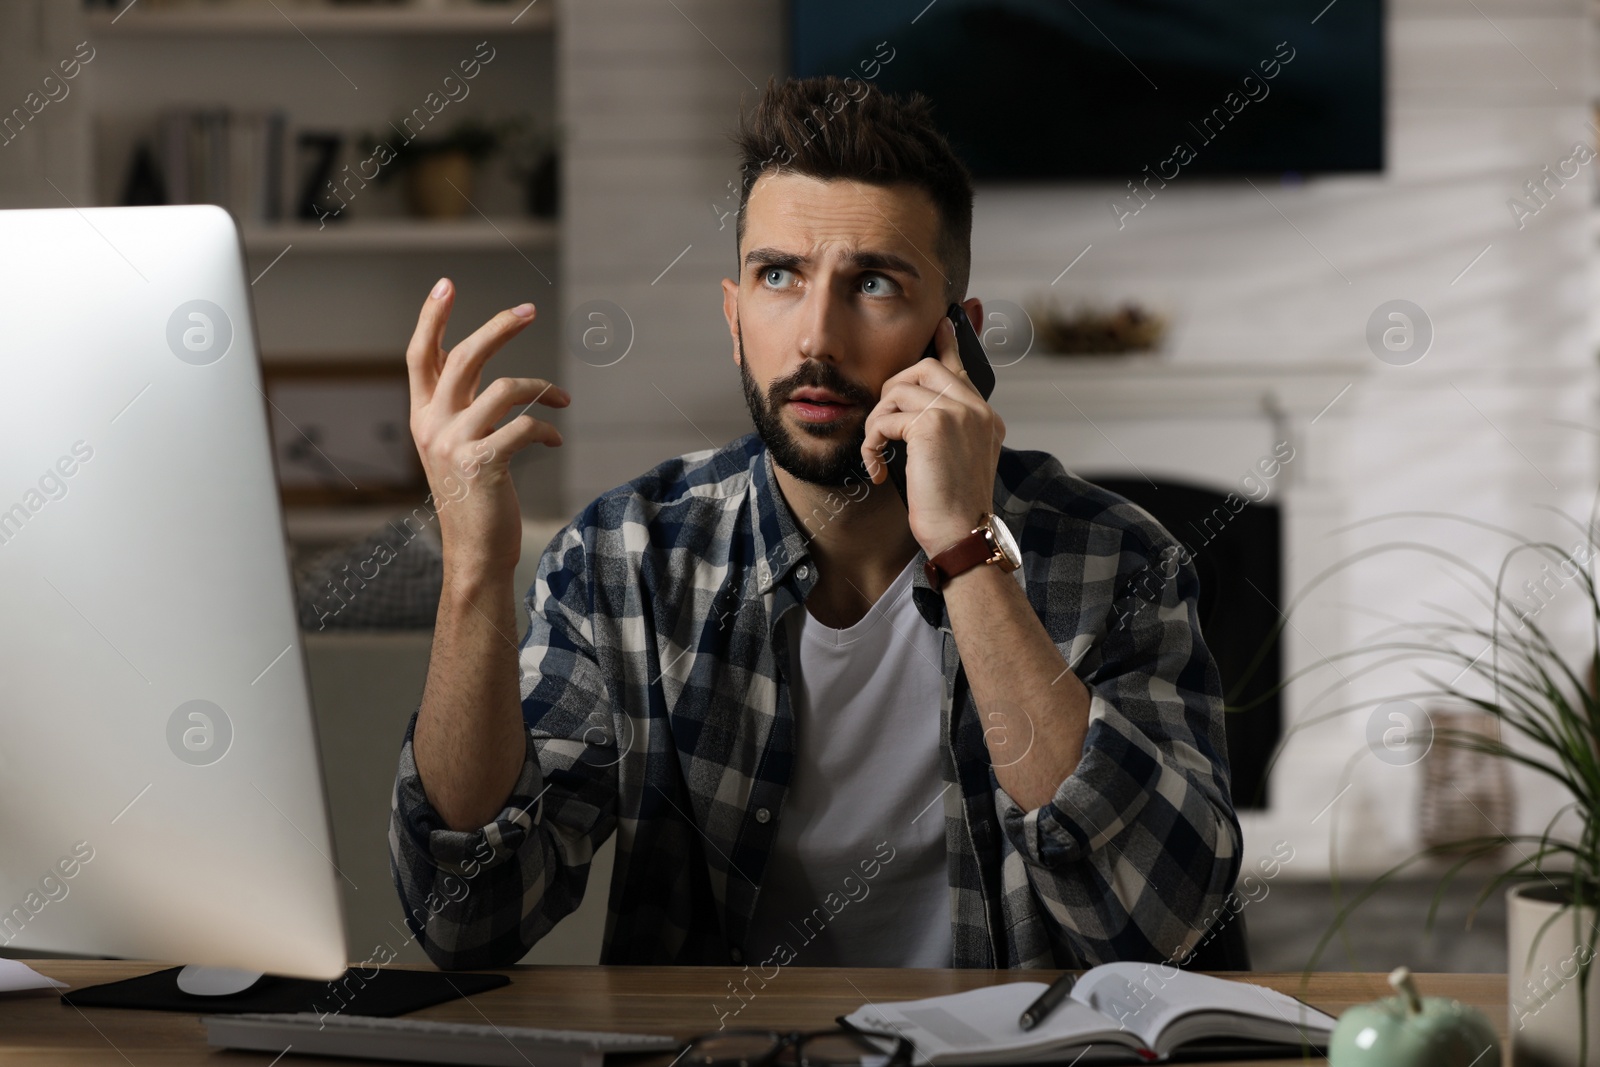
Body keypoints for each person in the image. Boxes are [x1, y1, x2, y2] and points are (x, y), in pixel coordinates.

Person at [388, 74, 1241, 972]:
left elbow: (1162, 926)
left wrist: (964, 549)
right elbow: (465, 919)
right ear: (734, 317)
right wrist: (476, 568)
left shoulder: (1119, 558)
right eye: (780, 276)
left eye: (872, 282)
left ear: (959, 340)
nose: (816, 339)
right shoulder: (625, 560)